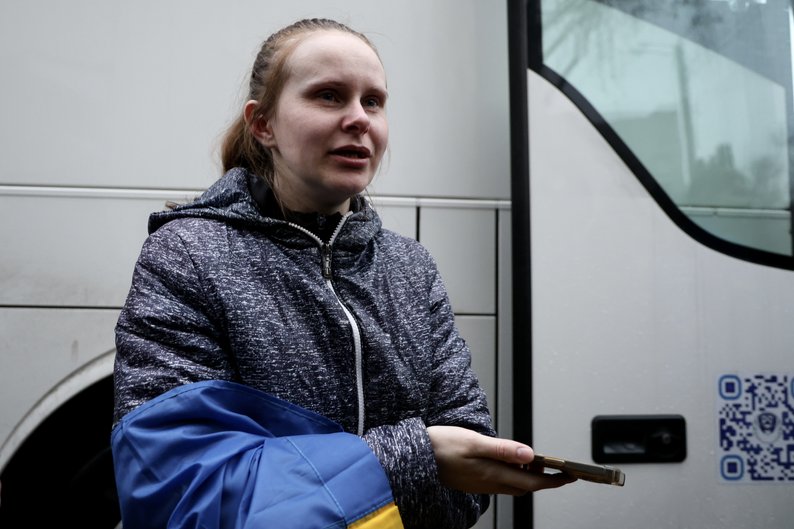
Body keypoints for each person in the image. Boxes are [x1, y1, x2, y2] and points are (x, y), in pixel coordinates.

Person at [111, 18, 573, 529]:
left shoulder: (411, 268)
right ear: (262, 124)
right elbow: (183, 490)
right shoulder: (186, 255)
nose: (359, 119)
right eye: (329, 96)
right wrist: (413, 458)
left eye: (373, 101)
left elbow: (466, 474)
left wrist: (423, 466)